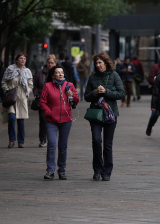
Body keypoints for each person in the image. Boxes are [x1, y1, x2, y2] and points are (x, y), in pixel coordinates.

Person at [84, 51, 125, 181]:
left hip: (110, 114)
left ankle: (107, 171)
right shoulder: (92, 78)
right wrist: (95, 92)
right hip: (96, 113)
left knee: (107, 144)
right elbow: (86, 97)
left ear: (106, 63)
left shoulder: (114, 75)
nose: (98, 65)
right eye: (96, 63)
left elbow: (121, 93)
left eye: (100, 62)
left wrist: (106, 92)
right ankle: (97, 169)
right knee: (96, 141)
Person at [40, 65, 79, 180]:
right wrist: (49, 112)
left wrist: (72, 96)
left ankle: (61, 170)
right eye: (57, 73)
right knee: (52, 144)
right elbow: (42, 102)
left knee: (63, 146)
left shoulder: (69, 85)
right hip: (51, 120)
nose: (60, 74)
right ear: (53, 75)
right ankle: (50, 170)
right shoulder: (47, 86)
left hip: (66, 121)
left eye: (62, 72)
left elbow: (76, 100)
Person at [1, 52, 33, 148]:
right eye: (21, 58)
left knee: (21, 121)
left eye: (24, 58)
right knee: (11, 118)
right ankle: (11, 140)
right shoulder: (10, 69)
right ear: (16, 60)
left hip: (22, 98)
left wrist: (27, 92)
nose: (23, 60)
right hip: (11, 98)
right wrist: (7, 90)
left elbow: (31, 84)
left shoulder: (27, 71)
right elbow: (3, 82)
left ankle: (21, 141)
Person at [33, 54, 57, 147]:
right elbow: (35, 84)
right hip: (42, 100)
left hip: (54, 100)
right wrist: (37, 95)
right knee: (43, 119)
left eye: (52, 63)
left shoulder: (58, 73)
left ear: (55, 63)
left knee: (53, 120)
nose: (50, 64)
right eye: (48, 63)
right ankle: (42, 140)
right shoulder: (40, 73)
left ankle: (51, 139)